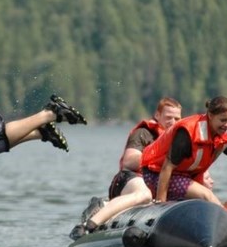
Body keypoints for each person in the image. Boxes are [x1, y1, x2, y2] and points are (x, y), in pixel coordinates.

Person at [69, 97, 183, 239]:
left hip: (156, 184)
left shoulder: (180, 140)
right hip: (129, 179)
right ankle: (89, 225)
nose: (173, 122)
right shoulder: (143, 133)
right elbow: (129, 162)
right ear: (158, 115)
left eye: (177, 118)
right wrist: (160, 157)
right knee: (145, 195)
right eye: (168, 117)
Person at [140, 96, 227, 208]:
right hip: (154, 174)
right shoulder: (188, 132)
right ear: (210, 116)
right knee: (206, 195)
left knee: (205, 200)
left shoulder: (226, 134)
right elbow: (167, 167)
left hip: (182, 176)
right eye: (223, 120)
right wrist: (161, 204)